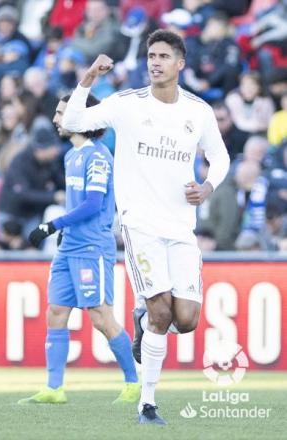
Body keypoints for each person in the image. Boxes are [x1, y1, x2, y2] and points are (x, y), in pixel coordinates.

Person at [60, 30, 230, 424]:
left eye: (164, 56)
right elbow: (73, 120)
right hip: (140, 224)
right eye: (151, 56)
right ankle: (148, 404)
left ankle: (142, 320)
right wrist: (89, 79)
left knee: (185, 319)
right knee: (161, 311)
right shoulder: (126, 104)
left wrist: (207, 186)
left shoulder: (198, 111)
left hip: (181, 226)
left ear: (180, 63)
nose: (155, 62)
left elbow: (219, 156)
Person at [18, 94, 140, 406]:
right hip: (69, 247)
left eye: (63, 113)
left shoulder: (98, 157)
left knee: (100, 316)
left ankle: (134, 383)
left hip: (91, 247)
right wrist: (63, 232)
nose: (58, 119)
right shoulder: (71, 155)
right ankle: (54, 388)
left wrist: (52, 225)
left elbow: (93, 204)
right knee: (56, 312)